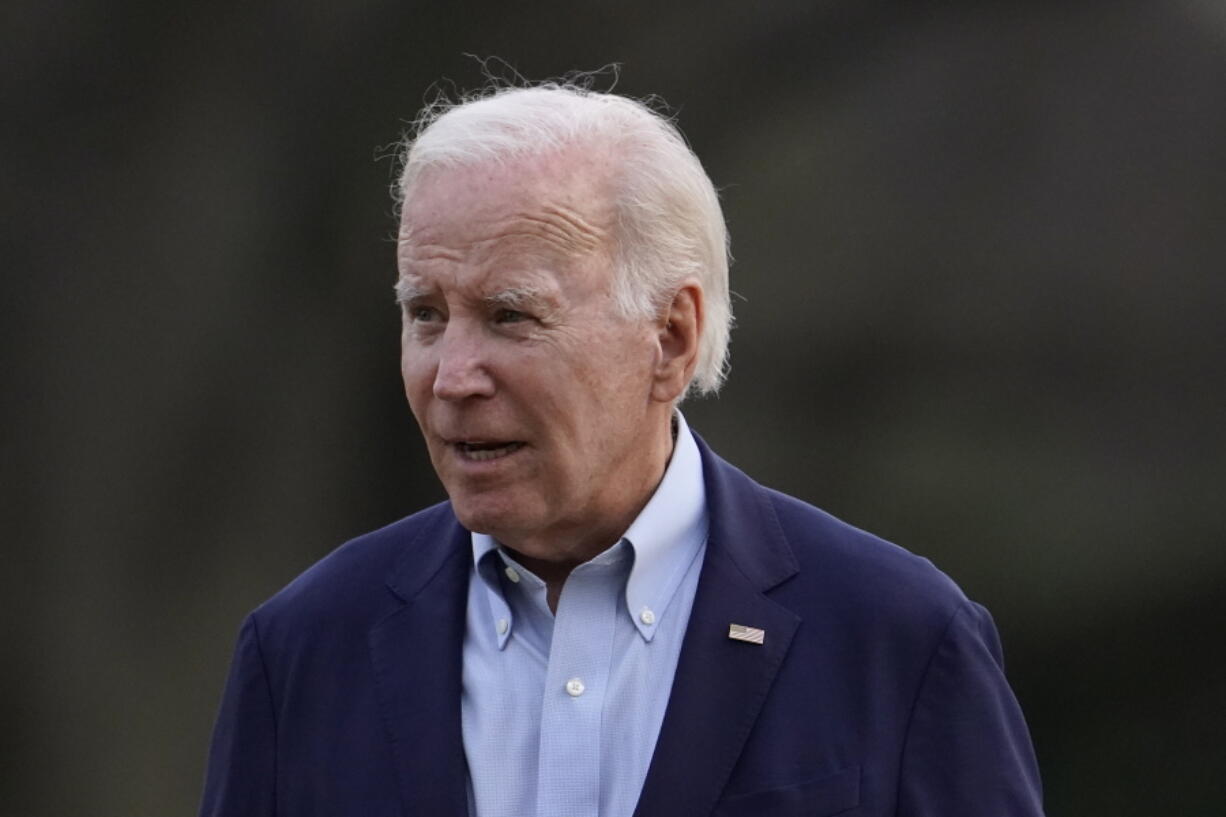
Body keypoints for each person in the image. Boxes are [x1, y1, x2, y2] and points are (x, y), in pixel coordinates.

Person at [200, 80, 1044, 817]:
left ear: (671, 337)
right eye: (426, 313)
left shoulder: (895, 637)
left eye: (511, 316)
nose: (451, 375)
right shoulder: (304, 651)